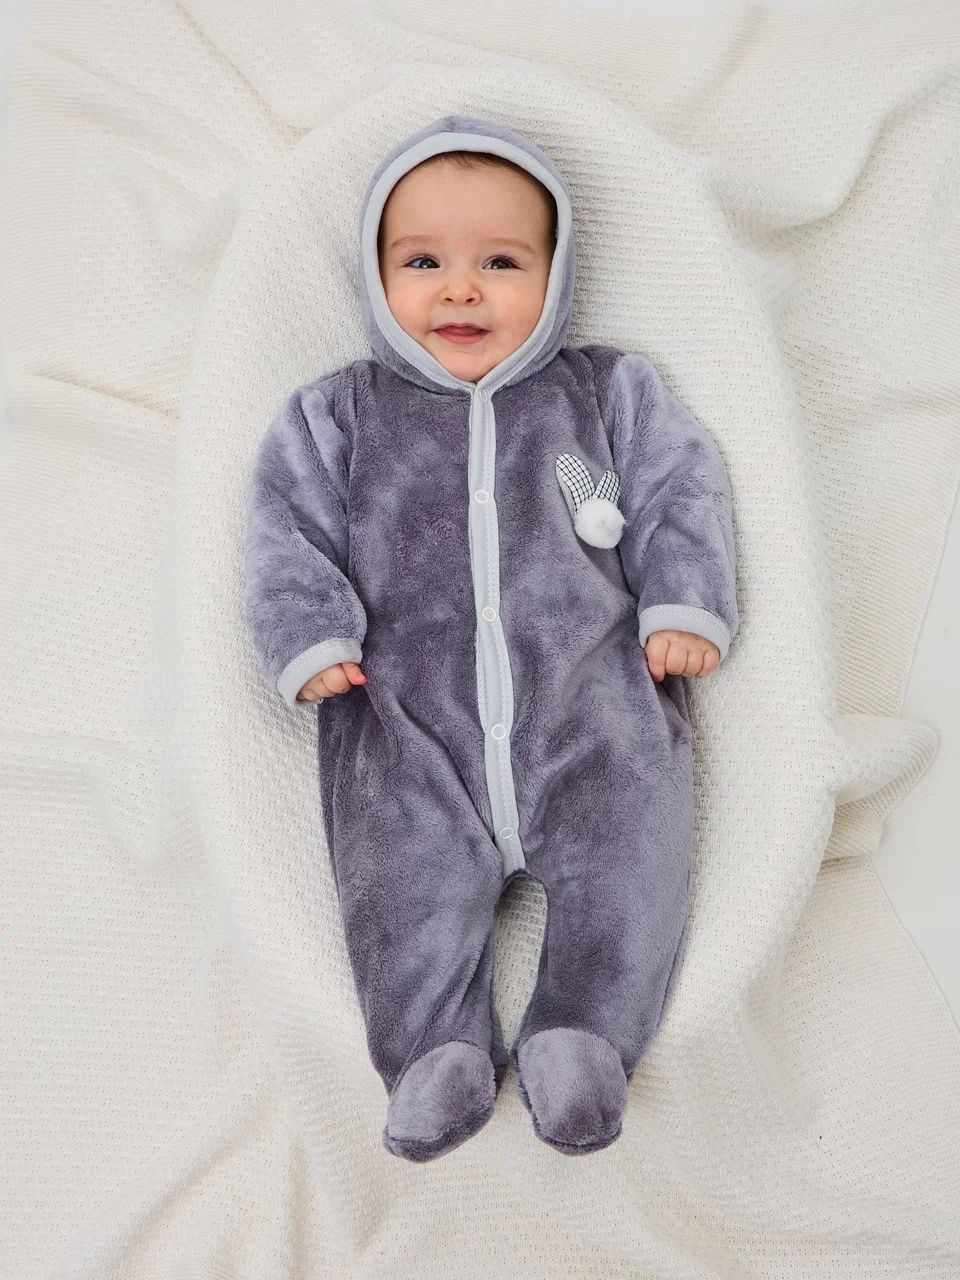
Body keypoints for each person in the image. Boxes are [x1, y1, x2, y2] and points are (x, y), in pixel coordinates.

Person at [243, 114, 740, 1163]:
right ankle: (432, 1050)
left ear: (557, 277)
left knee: (633, 861)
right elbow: (284, 526)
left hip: (595, 714)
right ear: (376, 275)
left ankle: (586, 1034)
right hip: (406, 731)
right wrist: (309, 632)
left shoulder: (603, 392)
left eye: (501, 263)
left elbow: (679, 487)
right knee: (399, 887)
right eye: (423, 262)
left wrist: (681, 604)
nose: (460, 291)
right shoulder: (340, 414)